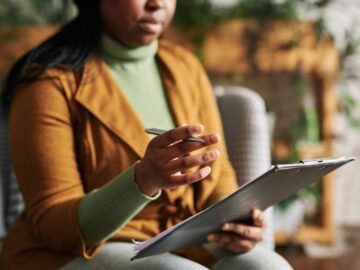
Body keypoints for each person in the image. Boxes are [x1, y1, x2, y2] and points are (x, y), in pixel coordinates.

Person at [0, 0, 293, 269]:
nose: (157, 4)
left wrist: (237, 220)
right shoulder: (46, 84)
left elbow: (218, 175)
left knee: (268, 266)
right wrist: (143, 179)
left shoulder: (185, 66)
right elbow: (55, 227)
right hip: (73, 250)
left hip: (179, 239)